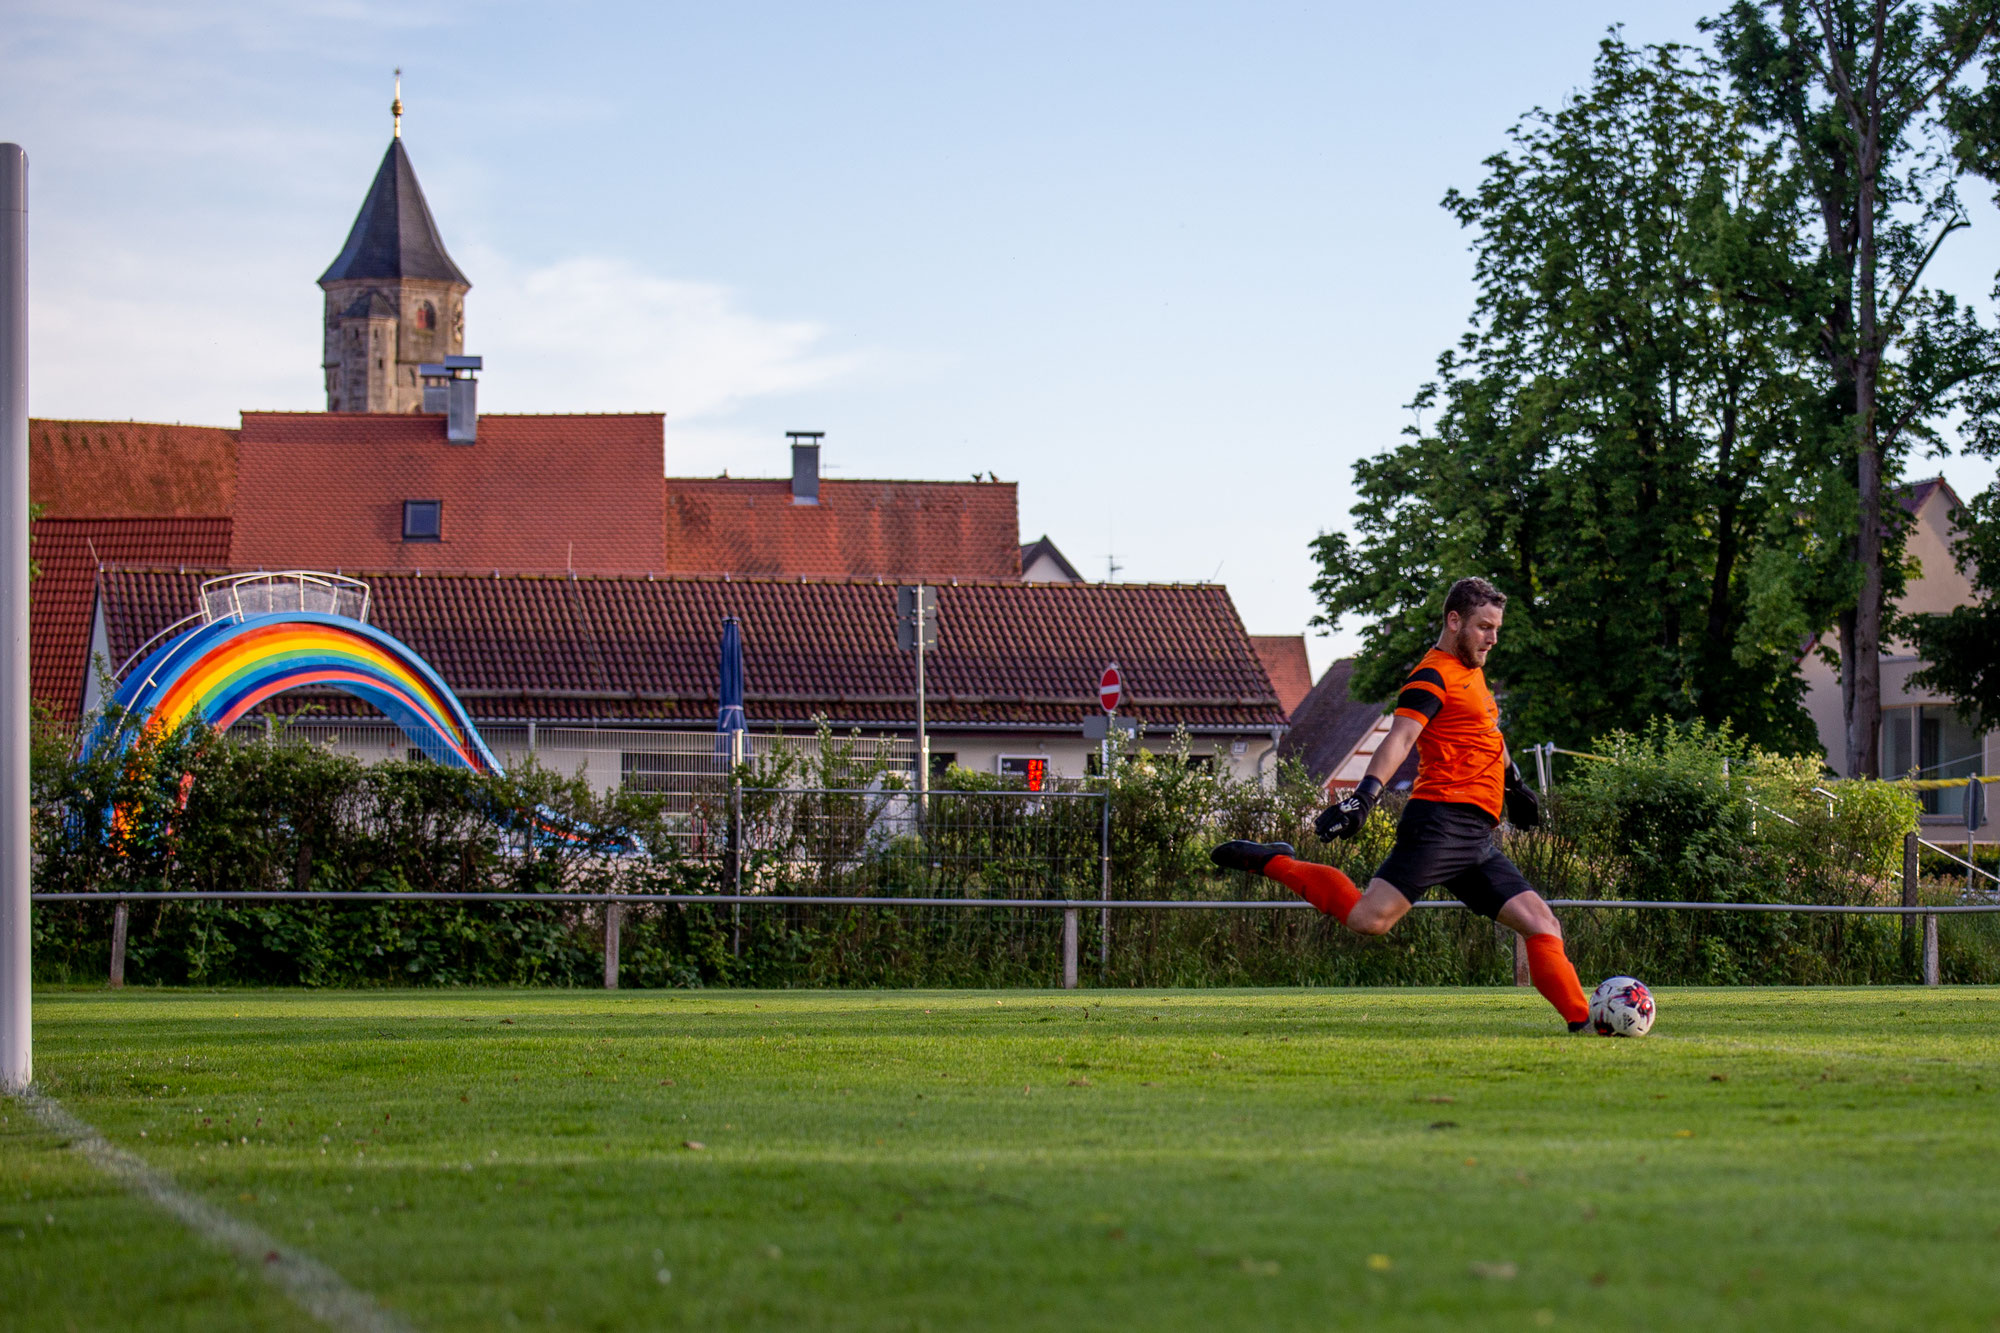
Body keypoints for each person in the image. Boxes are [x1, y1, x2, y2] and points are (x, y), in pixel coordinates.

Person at [1211, 577, 1593, 1032]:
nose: (1493, 638)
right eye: (1484, 627)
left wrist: (1515, 785)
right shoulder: (1431, 675)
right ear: (1454, 621)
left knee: (1542, 922)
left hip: (1476, 836)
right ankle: (1275, 862)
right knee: (1370, 919)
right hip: (1439, 823)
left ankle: (1584, 1022)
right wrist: (1364, 797)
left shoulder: (1473, 672)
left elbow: (1489, 734)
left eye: (1497, 628)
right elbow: (1401, 738)